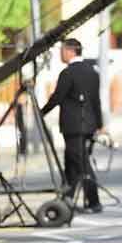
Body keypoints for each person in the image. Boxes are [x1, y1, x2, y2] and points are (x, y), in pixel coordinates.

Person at [42, 38, 103, 213]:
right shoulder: (92, 71)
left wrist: (41, 112)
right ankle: (67, 198)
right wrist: (99, 124)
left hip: (73, 125)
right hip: (89, 124)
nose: (61, 54)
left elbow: (57, 97)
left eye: (62, 50)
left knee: (81, 163)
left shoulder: (68, 73)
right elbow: (96, 101)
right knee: (71, 162)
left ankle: (93, 201)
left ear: (70, 51)